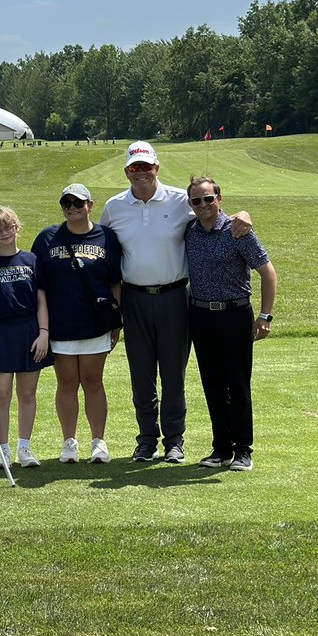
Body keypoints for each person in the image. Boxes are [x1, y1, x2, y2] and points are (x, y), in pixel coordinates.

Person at [100, 140, 251, 464]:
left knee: (173, 374)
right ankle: (146, 440)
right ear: (127, 171)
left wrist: (244, 214)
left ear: (157, 167)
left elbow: (215, 213)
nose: (141, 172)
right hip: (134, 298)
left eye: (146, 166)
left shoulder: (181, 200)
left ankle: (174, 441)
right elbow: (102, 246)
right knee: (141, 375)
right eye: (134, 167)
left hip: (175, 297)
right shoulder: (114, 207)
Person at [185, 177, 277, 472]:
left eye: (208, 199)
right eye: (196, 200)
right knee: (212, 384)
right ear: (190, 204)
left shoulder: (238, 230)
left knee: (237, 384)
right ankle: (221, 448)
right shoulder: (189, 231)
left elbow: (268, 273)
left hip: (234, 314)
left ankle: (243, 450)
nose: (203, 205)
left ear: (219, 198)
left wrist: (265, 316)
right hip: (201, 315)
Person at [32, 184, 122, 464]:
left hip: (95, 323)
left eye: (78, 202)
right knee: (67, 383)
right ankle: (69, 442)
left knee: (93, 381)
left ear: (90, 205)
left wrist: (116, 321)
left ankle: (98, 442)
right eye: (66, 203)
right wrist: (43, 328)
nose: (72, 208)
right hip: (61, 324)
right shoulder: (47, 238)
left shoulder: (106, 237)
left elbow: (115, 282)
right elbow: (39, 287)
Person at [0, 206, 52, 468]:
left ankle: (24, 448)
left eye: (8, 227)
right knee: (1, 394)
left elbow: (41, 301)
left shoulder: (31, 260)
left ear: (16, 227)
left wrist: (44, 334)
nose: (4, 233)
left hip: (29, 331)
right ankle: (3, 450)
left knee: (27, 393)